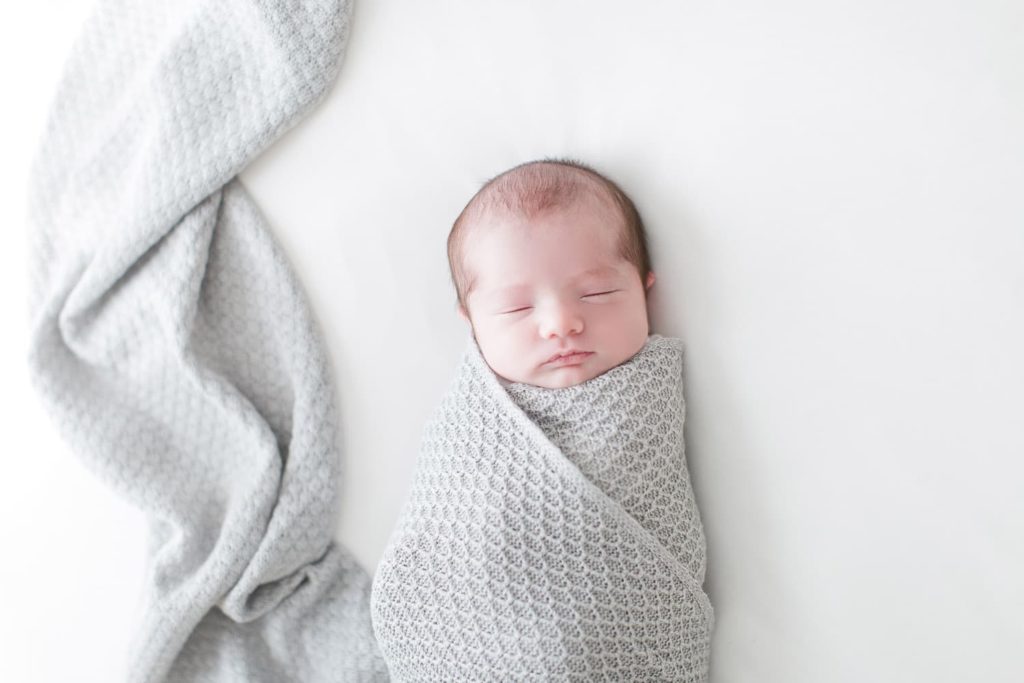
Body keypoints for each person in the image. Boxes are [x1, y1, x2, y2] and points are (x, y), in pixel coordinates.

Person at [447, 158, 657, 389]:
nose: (560, 324)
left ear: (644, 288)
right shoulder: (474, 413)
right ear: (472, 323)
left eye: (596, 293)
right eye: (517, 307)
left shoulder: (660, 374)